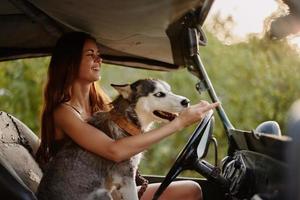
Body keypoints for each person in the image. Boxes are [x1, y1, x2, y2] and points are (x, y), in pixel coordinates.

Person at [36, 31, 219, 200]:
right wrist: (178, 123)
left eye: (99, 54)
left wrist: (179, 112)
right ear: (70, 62)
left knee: (191, 189)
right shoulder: (63, 113)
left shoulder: (101, 104)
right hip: (82, 193)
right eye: (91, 55)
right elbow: (114, 150)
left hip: (110, 189)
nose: (99, 59)